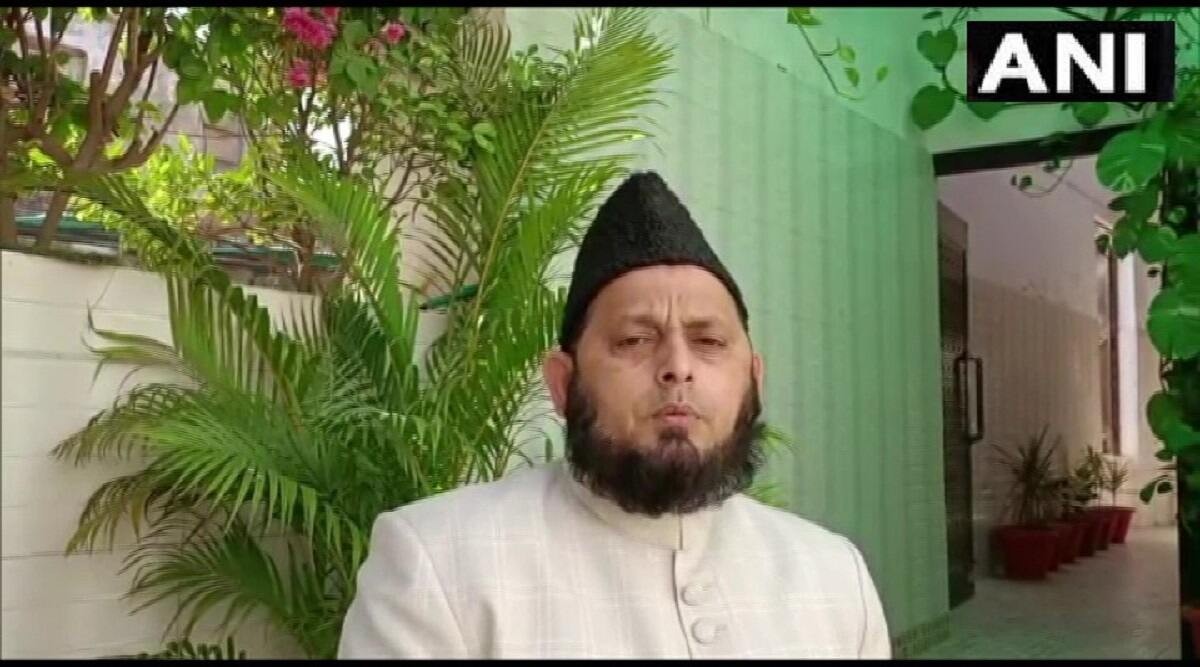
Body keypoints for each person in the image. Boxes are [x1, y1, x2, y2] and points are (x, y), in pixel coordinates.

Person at [337, 171, 891, 659]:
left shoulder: (833, 575)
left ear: (754, 380)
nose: (678, 367)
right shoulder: (440, 564)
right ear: (564, 383)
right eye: (634, 340)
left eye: (709, 341)